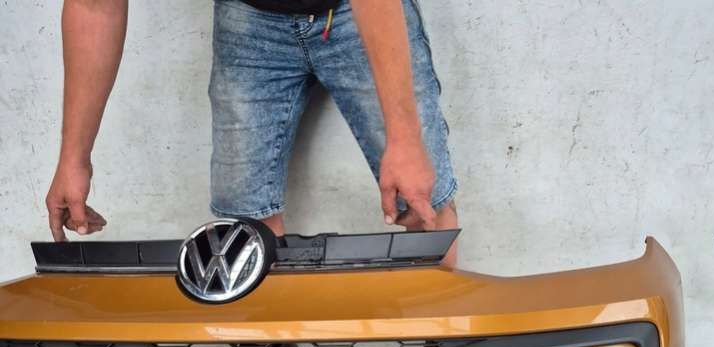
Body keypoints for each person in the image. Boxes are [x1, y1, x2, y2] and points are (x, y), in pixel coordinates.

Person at [46, 0, 458, 257]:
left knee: (422, 203)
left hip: (359, 9)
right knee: (244, 237)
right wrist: (73, 159)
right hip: (249, 18)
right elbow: (93, 6)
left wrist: (405, 138)